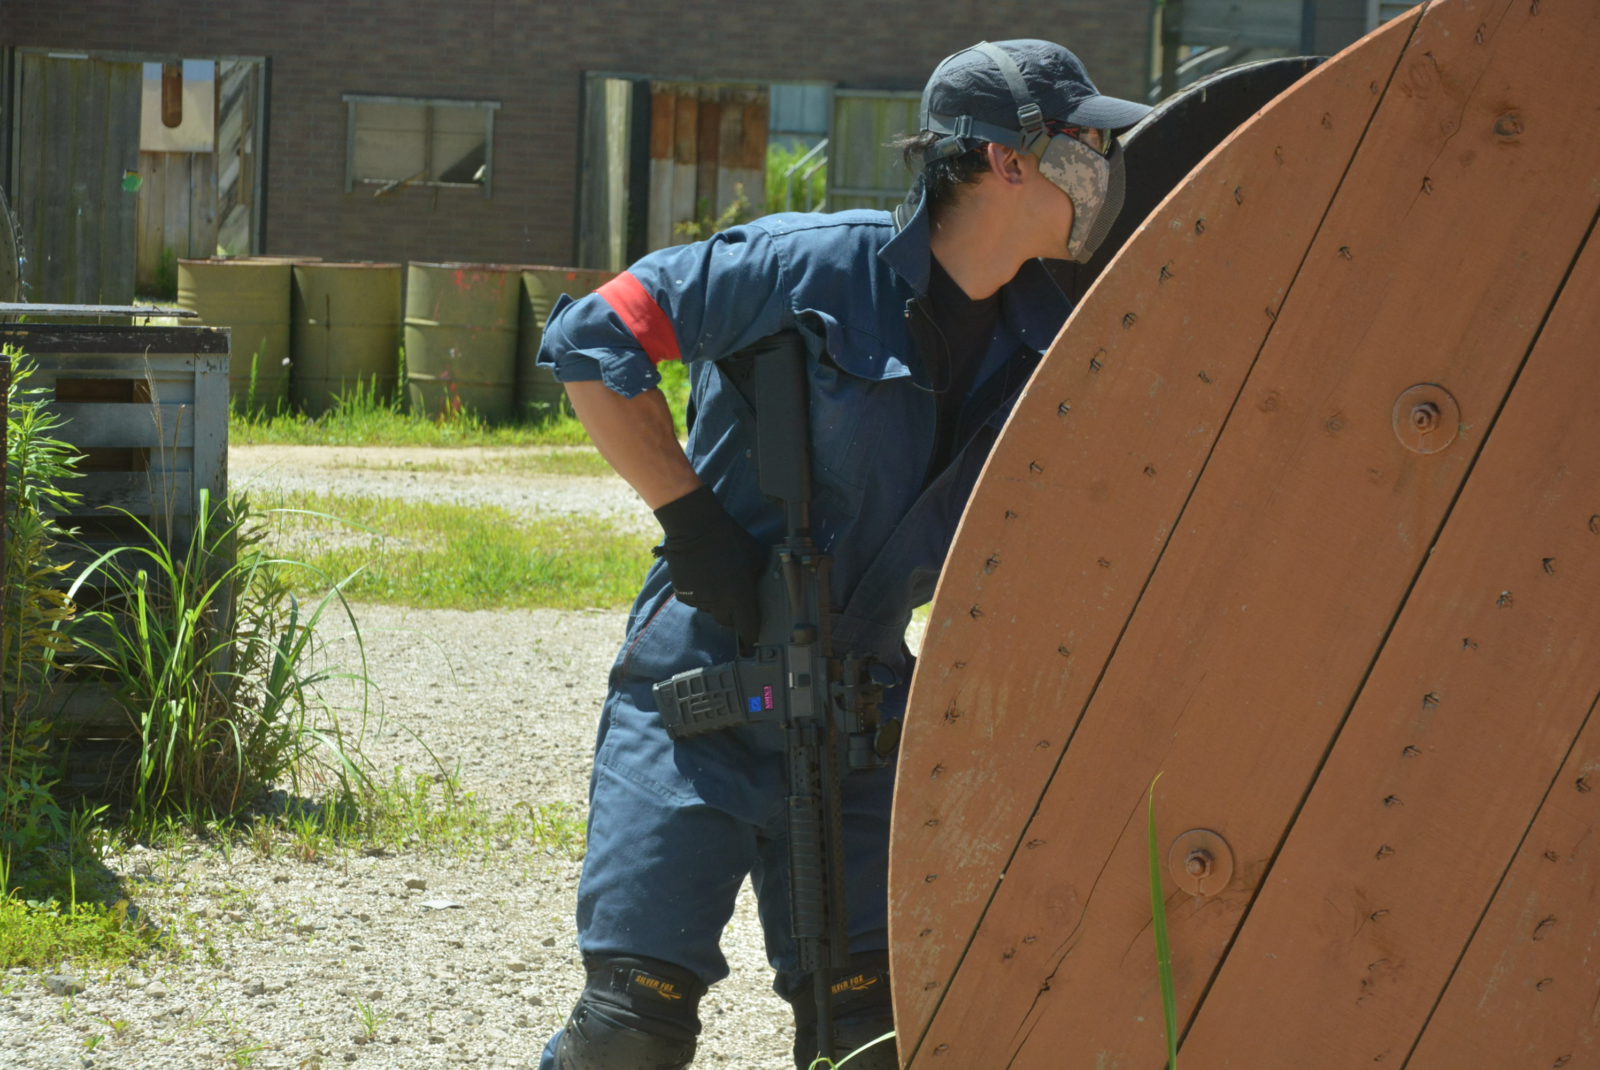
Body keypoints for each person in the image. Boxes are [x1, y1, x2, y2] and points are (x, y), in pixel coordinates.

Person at [535, 39, 1150, 1070]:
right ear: (1006, 158)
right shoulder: (806, 264)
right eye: (1086, 142)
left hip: (860, 720)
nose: (1106, 166)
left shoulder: (1051, 342)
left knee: (870, 1043)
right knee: (630, 1031)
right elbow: (596, 337)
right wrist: (691, 519)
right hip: (703, 693)